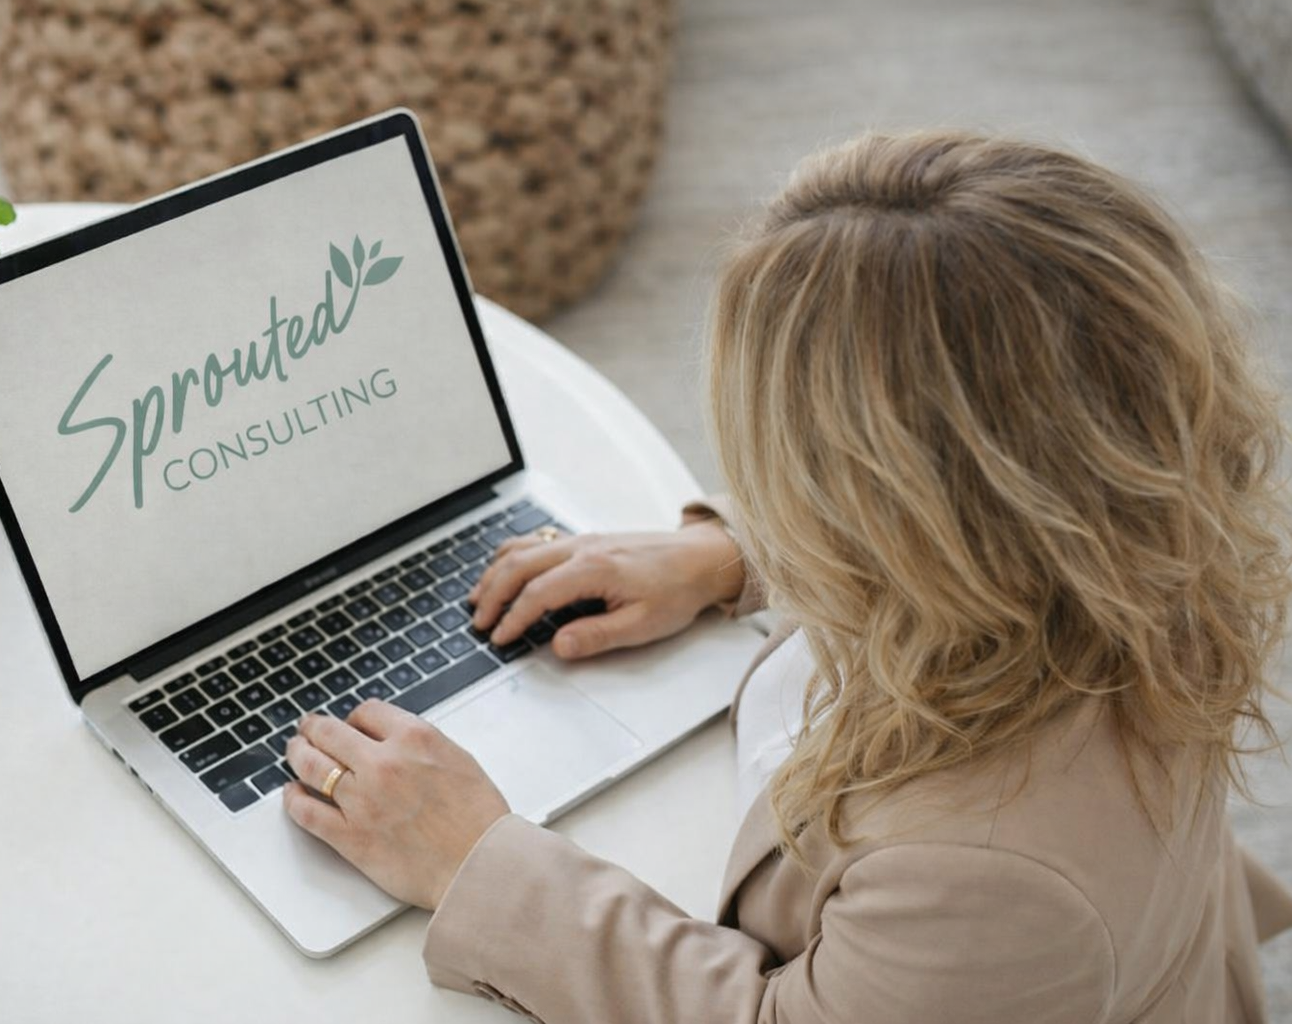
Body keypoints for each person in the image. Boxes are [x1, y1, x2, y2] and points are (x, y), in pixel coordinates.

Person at [280, 130, 1292, 1022]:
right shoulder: (1137, 537)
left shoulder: (994, 875)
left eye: (805, 473)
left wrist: (474, 858)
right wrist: (733, 553)